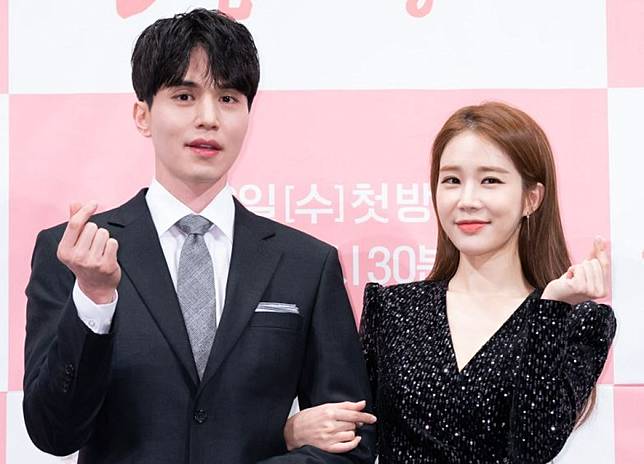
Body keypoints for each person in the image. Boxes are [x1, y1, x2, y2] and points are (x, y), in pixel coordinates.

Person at [22, 9, 376, 464]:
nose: (209, 118)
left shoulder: (306, 263)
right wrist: (94, 300)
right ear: (143, 115)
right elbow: (53, 433)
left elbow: (352, 440)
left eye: (228, 98)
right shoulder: (76, 254)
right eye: (184, 96)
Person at [283, 102, 616, 463]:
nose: (467, 200)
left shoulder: (575, 321)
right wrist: (290, 431)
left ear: (531, 199)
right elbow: (357, 434)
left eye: (490, 180)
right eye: (452, 181)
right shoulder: (392, 309)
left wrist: (551, 309)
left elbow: (533, 446)